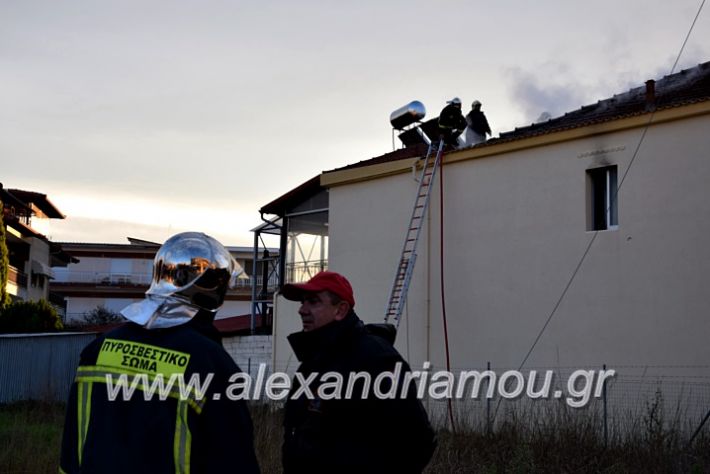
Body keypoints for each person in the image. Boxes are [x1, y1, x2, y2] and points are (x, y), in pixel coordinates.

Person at [59, 232, 260, 474]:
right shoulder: (212, 364)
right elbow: (234, 460)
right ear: (213, 292)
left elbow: (71, 447)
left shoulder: (98, 349)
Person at [281, 271, 436, 473]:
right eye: (302, 302)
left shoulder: (375, 359)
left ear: (340, 310)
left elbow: (417, 441)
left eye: (313, 301)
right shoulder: (312, 364)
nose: (302, 310)